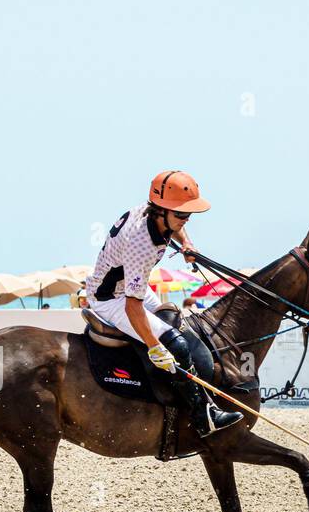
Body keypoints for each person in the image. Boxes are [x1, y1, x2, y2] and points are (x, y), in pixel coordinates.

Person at [85, 170, 242, 436]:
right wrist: (156, 347)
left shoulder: (156, 215)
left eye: (188, 215)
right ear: (160, 210)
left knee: (173, 318)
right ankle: (203, 416)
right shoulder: (141, 244)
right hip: (110, 299)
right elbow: (132, 308)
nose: (185, 220)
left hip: (125, 288)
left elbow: (178, 226)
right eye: (181, 215)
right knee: (175, 344)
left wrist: (187, 245)